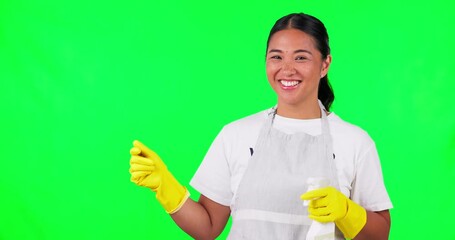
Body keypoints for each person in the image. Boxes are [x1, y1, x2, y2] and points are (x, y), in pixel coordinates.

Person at [129, 12, 392, 240]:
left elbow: (380, 235)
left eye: (301, 58)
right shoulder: (236, 135)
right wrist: (165, 185)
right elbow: (207, 227)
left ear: (325, 64)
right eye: (276, 57)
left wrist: (348, 212)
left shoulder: (354, 142)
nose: (287, 69)